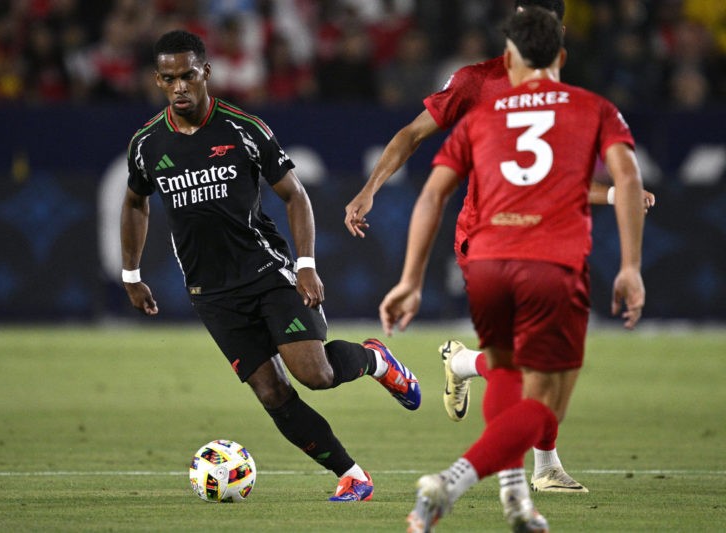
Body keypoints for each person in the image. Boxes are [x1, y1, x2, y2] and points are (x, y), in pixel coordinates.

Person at [346, 0, 654, 494]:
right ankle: (535, 468)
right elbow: (412, 136)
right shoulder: (478, 83)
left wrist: (617, 195)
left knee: (533, 363)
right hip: (487, 240)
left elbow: (558, 181)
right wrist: (371, 188)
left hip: (549, 243)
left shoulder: (570, 102)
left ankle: (465, 366)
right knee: (536, 364)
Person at [119, 30, 421, 503]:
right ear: (158, 80)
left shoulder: (244, 128)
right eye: (169, 78)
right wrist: (131, 274)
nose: (180, 86)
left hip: (267, 273)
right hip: (211, 292)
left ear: (206, 74)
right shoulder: (146, 143)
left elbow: (294, 195)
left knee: (315, 375)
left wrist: (304, 264)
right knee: (271, 393)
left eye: (188, 75)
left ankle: (375, 360)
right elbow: (135, 202)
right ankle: (352, 476)